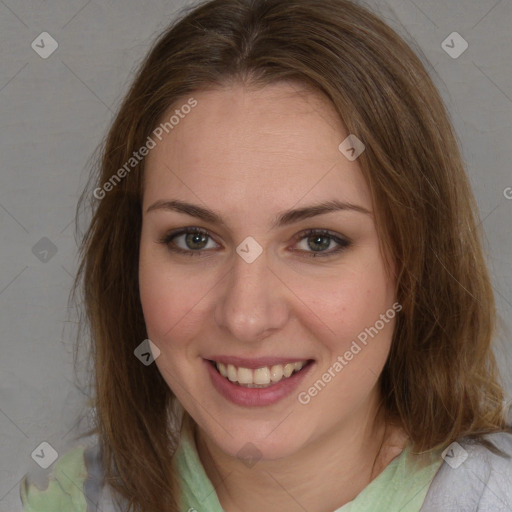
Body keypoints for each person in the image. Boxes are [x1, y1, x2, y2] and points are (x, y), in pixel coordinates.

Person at [19, 0, 512, 511]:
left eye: (318, 241)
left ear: (414, 264)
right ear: (129, 259)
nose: (246, 317)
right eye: (194, 239)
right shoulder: (65, 499)